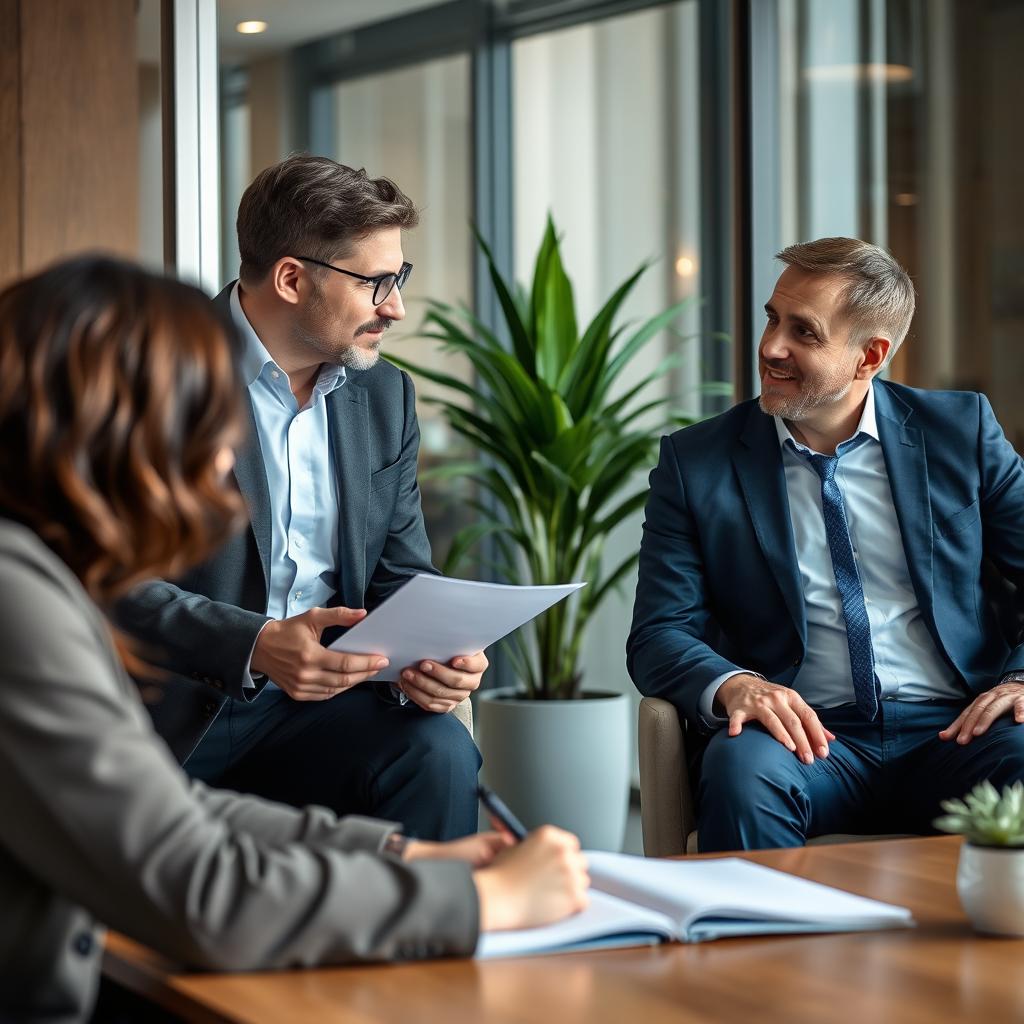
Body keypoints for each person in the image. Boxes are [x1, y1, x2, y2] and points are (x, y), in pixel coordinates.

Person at [0, 255, 589, 1023]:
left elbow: (166, 810)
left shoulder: (31, 574)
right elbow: (198, 890)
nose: (220, 467)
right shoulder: (19, 603)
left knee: (432, 747)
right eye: (206, 426)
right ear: (115, 431)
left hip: (316, 707)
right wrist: (475, 899)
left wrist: (403, 856)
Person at [115, 155, 483, 841]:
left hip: (325, 705)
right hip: (170, 709)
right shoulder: (156, 376)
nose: (396, 307)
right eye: (377, 282)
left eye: (397, 279)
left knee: (437, 751)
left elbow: (401, 569)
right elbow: (100, 579)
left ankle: (436, 943)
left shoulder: (384, 394)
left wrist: (438, 650)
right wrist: (254, 644)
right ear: (290, 279)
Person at [627, 237, 1024, 851]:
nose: (770, 347)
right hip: (805, 735)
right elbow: (658, 632)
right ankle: (763, 949)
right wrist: (736, 684)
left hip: (958, 731)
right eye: (772, 319)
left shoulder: (960, 432)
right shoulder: (696, 463)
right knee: (740, 774)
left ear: (870, 355)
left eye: (803, 333)